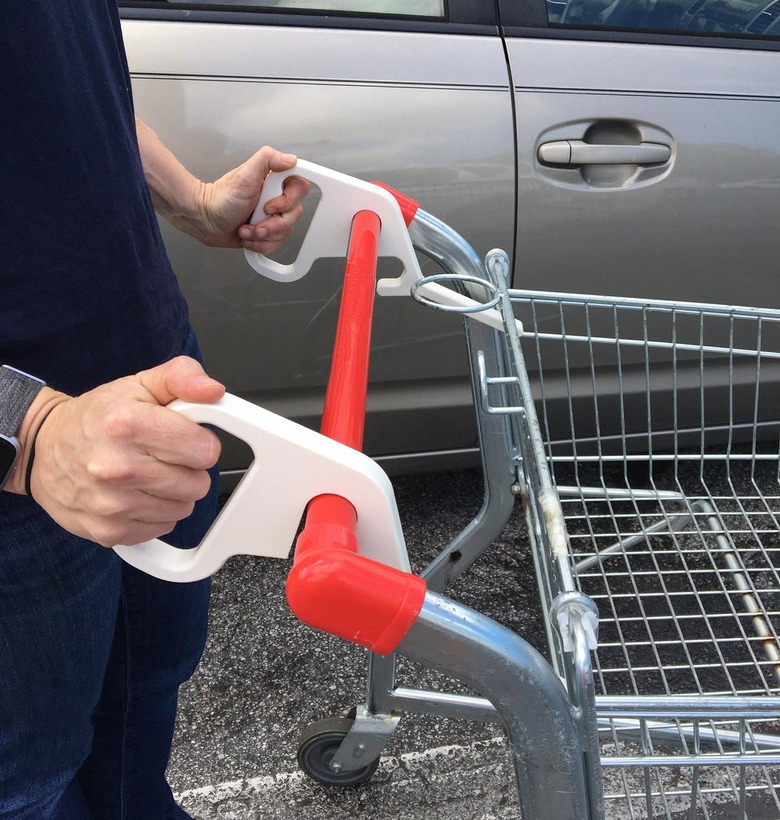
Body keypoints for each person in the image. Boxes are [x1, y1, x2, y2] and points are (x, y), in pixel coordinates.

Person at [0, 2, 309, 818]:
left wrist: (193, 202)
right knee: (28, 778)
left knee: (147, 689)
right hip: (20, 473)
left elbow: (64, 82)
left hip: (151, 382)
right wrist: (27, 435)